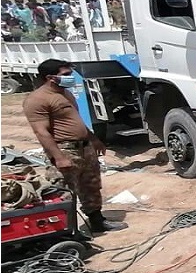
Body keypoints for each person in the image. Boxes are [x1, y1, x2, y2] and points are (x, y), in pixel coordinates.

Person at [23, 59, 125, 233]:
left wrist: (93, 139)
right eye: (66, 74)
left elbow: (76, 121)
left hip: (84, 147)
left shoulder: (66, 93)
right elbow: (41, 132)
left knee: (91, 186)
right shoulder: (37, 100)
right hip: (65, 149)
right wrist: (59, 157)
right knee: (64, 191)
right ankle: (67, 231)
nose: (70, 77)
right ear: (50, 77)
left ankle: (97, 221)